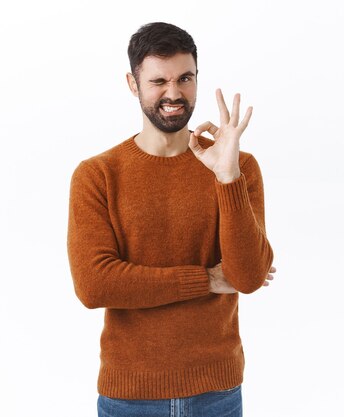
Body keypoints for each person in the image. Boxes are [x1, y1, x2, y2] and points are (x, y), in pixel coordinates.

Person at [66, 22, 276, 417]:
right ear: (133, 84)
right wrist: (207, 279)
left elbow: (247, 277)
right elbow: (94, 284)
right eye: (158, 81)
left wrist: (226, 177)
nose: (174, 93)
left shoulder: (238, 166)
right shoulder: (97, 175)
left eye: (185, 78)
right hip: (128, 396)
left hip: (218, 392)